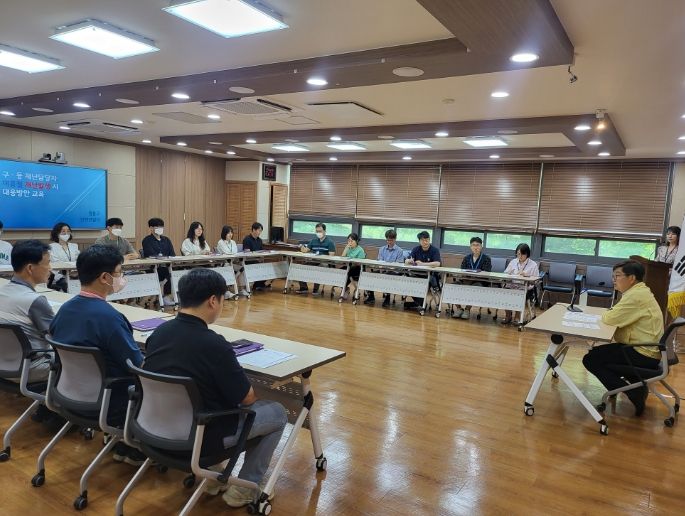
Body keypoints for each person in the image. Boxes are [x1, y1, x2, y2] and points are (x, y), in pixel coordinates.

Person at [143, 268, 287, 508]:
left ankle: (213, 478)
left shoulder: (159, 333)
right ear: (213, 301)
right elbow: (247, 399)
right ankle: (245, 487)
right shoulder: (213, 344)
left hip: (155, 427)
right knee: (278, 412)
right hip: (201, 437)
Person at [49, 245, 145, 465]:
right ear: (104, 277)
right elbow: (137, 365)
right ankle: (135, 443)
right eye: (119, 273)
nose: (121, 278)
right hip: (109, 401)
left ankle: (122, 440)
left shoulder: (65, 310)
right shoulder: (110, 318)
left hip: (67, 393)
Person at [582, 260, 664, 416]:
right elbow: (615, 314)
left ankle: (633, 391)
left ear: (631, 278)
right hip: (646, 348)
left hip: (643, 353)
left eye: (617, 276)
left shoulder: (635, 296)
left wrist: (610, 313)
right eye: (613, 276)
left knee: (591, 359)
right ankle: (627, 386)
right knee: (598, 354)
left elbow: (610, 318)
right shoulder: (639, 291)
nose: (614, 280)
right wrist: (612, 312)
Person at [0, 240, 54, 382]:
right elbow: (58, 339)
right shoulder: (35, 301)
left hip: (4, 365)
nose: (50, 268)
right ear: (30, 268)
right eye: (48, 263)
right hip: (28, 369)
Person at [453, 237, 493, 320]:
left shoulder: (486, 259)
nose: (475, 247)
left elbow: (486, 273)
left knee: (475, 287)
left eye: (477, 245)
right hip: (466, 280)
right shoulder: (466, 258)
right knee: (452, 286)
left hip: (479, 282)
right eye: (473, 245)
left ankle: (467, 309)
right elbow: (462, 270)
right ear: (470, 247)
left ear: (481, 246)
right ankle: (459, 308)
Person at [501, 243, 539, 325]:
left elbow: (536, 280)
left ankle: (517, 317)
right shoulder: (513, 262)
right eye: (518, 254)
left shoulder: (533, 265)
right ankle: (508, 315)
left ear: (527, 254)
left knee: (519, 294)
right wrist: (508, 274)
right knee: (505, 293)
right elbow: (505, 274)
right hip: (512, 285)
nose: (520, 256)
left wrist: (527, 275)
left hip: (525, 288)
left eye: (522, 254)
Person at [141, 217, 176, 305]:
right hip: (153, 267)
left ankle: (167, 295)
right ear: (151, 228)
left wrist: (165, 258)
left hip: (166, 265)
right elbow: (150, 254)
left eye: (161, 226)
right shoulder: (147, 240)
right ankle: (162, 294)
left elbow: (172, 254)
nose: (160, 229)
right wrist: (162, 257)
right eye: (157, 227)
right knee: (166, 271)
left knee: (175, 270)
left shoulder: (166, 240)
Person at [365, 229, 404, 307]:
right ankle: (371, 296)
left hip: (394, 272)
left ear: (395, 239)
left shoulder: (399, 250)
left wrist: (390, 267)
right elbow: (380, 261)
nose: (389, 242)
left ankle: (387, 298)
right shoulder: (382, 249)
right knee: (370, 275)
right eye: (388, 240)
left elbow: (399, 265)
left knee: (388, 275)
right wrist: (381, 266)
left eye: (391, 240)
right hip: (382, 270)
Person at [404, 231, 441, 310]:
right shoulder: (416, 249)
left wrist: (422, 264)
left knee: (420, 284)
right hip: (416, 275)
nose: (425, 242)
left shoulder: (434, 250)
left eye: (427, 240)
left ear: (429, 240)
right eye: (423, 240)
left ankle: (420, 303)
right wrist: (409, 261)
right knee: (407, 283)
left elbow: (437, 263)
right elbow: (407, 261)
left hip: (429, 276)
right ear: (419, 241)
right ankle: (421, 303)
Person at [295, 223, 336, 295]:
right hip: (314, 260)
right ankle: (304, 288)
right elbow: (305, 250)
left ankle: (315, 289)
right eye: (317, 231)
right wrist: (302, 247)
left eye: (320, 231)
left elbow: (331, 256)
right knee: (300, 268)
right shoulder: (313, 241)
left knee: (319, 268)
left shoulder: (330, 242)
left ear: (325, 231)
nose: (318, 233)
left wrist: (322, 257)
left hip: (324, 262)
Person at [47, 222, 80, 292]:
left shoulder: (74, 246)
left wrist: (74, 271)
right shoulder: (51, 247)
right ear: (57, 233)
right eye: (63, 231)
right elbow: (56, 263)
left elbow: (79, 260)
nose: (66, 233)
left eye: (68, 231)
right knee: (66, 286)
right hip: (59, 275)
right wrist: (69, 270)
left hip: (75, 273)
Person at [242, 222, 267, 291]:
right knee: (260, 266)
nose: (260, 232)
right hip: (249, 261)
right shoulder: (247, 239)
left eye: (261, 231)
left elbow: (261, 251)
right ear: (253, 230)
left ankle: (259, 284)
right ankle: (258, 284)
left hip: (257, 260)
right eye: (259, 230)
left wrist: (261, 257)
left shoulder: (260, 240)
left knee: (268, 267)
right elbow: (247, 254)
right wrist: (257, 258)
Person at [340, 233, 366, 300]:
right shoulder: (348, 248)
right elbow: (342, 258)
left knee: (350, 272)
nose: (350, 242)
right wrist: (346, 248)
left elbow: (360, 263)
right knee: (340, 272)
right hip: (349, 266)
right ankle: (346, 289)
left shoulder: (360, 250)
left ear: (356, 241)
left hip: (357, 267)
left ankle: (356, 290)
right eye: (349, 240)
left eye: (352, 241)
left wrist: (352, 262)